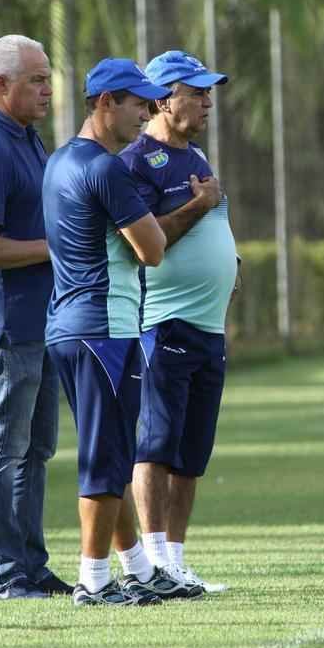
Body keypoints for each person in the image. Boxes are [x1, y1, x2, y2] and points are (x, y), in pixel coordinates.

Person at [43, 58, 201, 607]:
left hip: (67, 326)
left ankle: (135, 568)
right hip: (104, 327)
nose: (146, 112)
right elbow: (152, 249)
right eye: (137, 102)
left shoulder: (60, 160)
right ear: (106, 101)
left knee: (106, 449)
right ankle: (93, 580)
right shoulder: (108, 169)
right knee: (106, 458)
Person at [0, 34, 71, 599]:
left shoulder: (26, 137)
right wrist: (55, 248)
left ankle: (28, 565)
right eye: (36, 80)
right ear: (1, 85)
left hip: (39, 321)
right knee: (4, 445)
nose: (48, 89)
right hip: (4, 327)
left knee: (36, 448)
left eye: (47, 77)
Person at [120, 50, 239, 593]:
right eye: (196, 92)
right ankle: (156, 561)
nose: (208, 101)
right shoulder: (136, 163)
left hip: (208, 328)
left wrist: (229, 264)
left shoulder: (199, 157)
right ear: (164, 100)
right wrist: (200, 208)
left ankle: (177, 560)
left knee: (192, 453)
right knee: (157, 446)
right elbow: (150, 242)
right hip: (163, 323)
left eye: (209, 91)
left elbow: (214, 218)